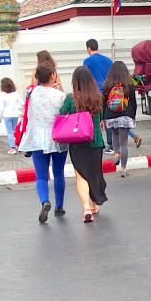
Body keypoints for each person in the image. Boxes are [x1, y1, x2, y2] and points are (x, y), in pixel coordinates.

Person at [17, 62, 68, 223]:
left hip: (37, 138)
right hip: (57, 137)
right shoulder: (60, 96)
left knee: (41, 176)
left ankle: (45, 201)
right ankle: (59, 205)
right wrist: (58, 90)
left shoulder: (31, 93)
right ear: (53, 76)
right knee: (59, 173)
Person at [60, 65, 107, 222]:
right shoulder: (97, 97)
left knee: (81, 175)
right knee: (94, 173)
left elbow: (61, 115)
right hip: (95, 142)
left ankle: (86, 208)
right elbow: (100, 119)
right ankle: (94, 205)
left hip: (77, 142)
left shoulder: (70, 98)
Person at [102, 61, 137, 178]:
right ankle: (123, 169)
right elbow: (133, 102)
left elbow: (103, 102)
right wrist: (133, 115)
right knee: (124, 143)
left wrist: (103, 117)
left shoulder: (107, 84)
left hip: (110, 116)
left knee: (114, 135)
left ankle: (116, 154)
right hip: (125, 115)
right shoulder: (128, 84)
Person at [83, 38, 115, 152]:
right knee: (109, 118)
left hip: (96, 94)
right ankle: (113, 144)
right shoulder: (108, 60)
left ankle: (104, 144)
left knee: (98, 120)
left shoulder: (87, 62)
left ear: (88, 48)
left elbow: (85, 78)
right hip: (110, 92)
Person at [0, 77, 23, 155]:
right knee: (15, 131)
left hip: (7, 115)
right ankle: (19, 146)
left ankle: (12, 148)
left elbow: (1, 108)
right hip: (15, 115)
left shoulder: (2, 95)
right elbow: (22, 103)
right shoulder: (15, 94)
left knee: (9, 132)